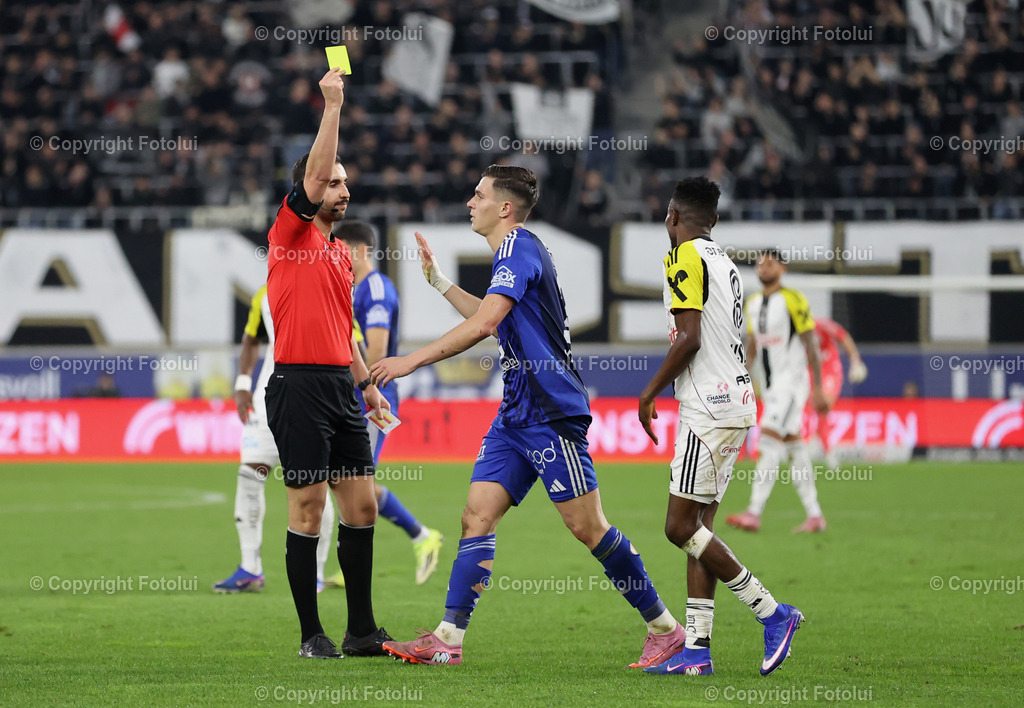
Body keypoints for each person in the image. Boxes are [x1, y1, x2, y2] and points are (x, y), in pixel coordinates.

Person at [369, 165, 684, 667]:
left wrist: (411, 360)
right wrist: (440, 283)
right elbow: (494, 320)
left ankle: (665, 629)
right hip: (516, 412)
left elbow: (486, 322)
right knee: (477, 514)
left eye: (478, 195)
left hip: (551, 412)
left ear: (505, 208)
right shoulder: (513, 255)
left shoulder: (518, 247)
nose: (470, 202)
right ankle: (449, 639)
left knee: (589, 528)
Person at [637, 177, 803, 676]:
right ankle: (697, 652)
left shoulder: (684, 256)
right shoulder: (726, 263)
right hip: (734, 400)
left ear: (673, 217)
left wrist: (648, 393)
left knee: (678, 527)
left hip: (708, 407)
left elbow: (687, 339)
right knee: (699, 532)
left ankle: (773, 613)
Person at [264, 67, 391, 659]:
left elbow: (344, 331)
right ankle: (311, 633)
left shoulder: (341, 254)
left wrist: (367, 385)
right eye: (335, 183)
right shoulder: (289, 236)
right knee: (308, 509)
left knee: (361, 505)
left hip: (341, 386)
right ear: (312, 190)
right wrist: (333, 105)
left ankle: (361, 630)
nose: (343, 190)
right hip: (297, 387)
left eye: (347, 184)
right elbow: (315, 173)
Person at [321, 221, 444, 589]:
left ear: (358, 251)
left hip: (370, 400)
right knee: (345, 481)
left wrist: (360, 389)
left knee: (355, 484)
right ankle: (411, 539)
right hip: (355, 397)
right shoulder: (357, 287)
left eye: (340, 249)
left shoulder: (374, 289)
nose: (335, 256)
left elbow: (375, 353)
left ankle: (420, 537)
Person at [213, 285, 335, 595]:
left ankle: (316, 572)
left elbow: (349, 339)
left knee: (314, 483)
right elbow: (252, 338)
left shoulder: (325, 284)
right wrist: (242, 382)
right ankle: (250, 567)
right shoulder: (263, 293)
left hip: (311, 399)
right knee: (249, 475)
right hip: (266, 399)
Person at [725, 249, 830, 534]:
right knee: (795, 448)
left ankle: (754, 512)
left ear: (782, 268)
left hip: (792, 384)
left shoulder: (793, 299)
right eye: (759, 263)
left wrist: (818, 387)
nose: (763, 268)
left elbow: (811, 344)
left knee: (769, 439)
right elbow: (753, 348)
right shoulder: (753, 303)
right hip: (771, 388)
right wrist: (742, 380)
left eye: (769, 263)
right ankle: (815, 515)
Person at [806, 317, 868, 469]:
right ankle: (825, 450)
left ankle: (822, 450)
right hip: (810, 369)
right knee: (815, 410)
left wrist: (855, 361)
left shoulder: (821, 325)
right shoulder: (793, 331)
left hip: (829, 367)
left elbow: (843, 337)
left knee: (824, 405)